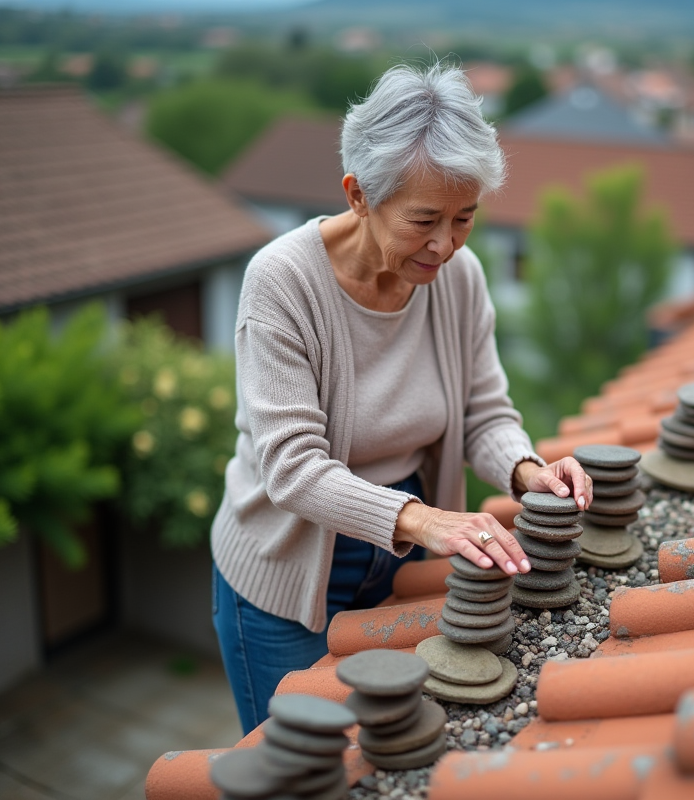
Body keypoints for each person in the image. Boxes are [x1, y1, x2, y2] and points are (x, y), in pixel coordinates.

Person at [210, 62, 592, 734]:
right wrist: (427, 523)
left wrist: (529, 471)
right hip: (289, 576)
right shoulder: (281, 283)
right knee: (303, 765)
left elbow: (484, 414)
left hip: (404, 559)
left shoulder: (459, 276)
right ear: (359, 196)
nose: (445, 244)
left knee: (388, 746)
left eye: (465, 217)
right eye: (424, 220)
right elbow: (292, 469)